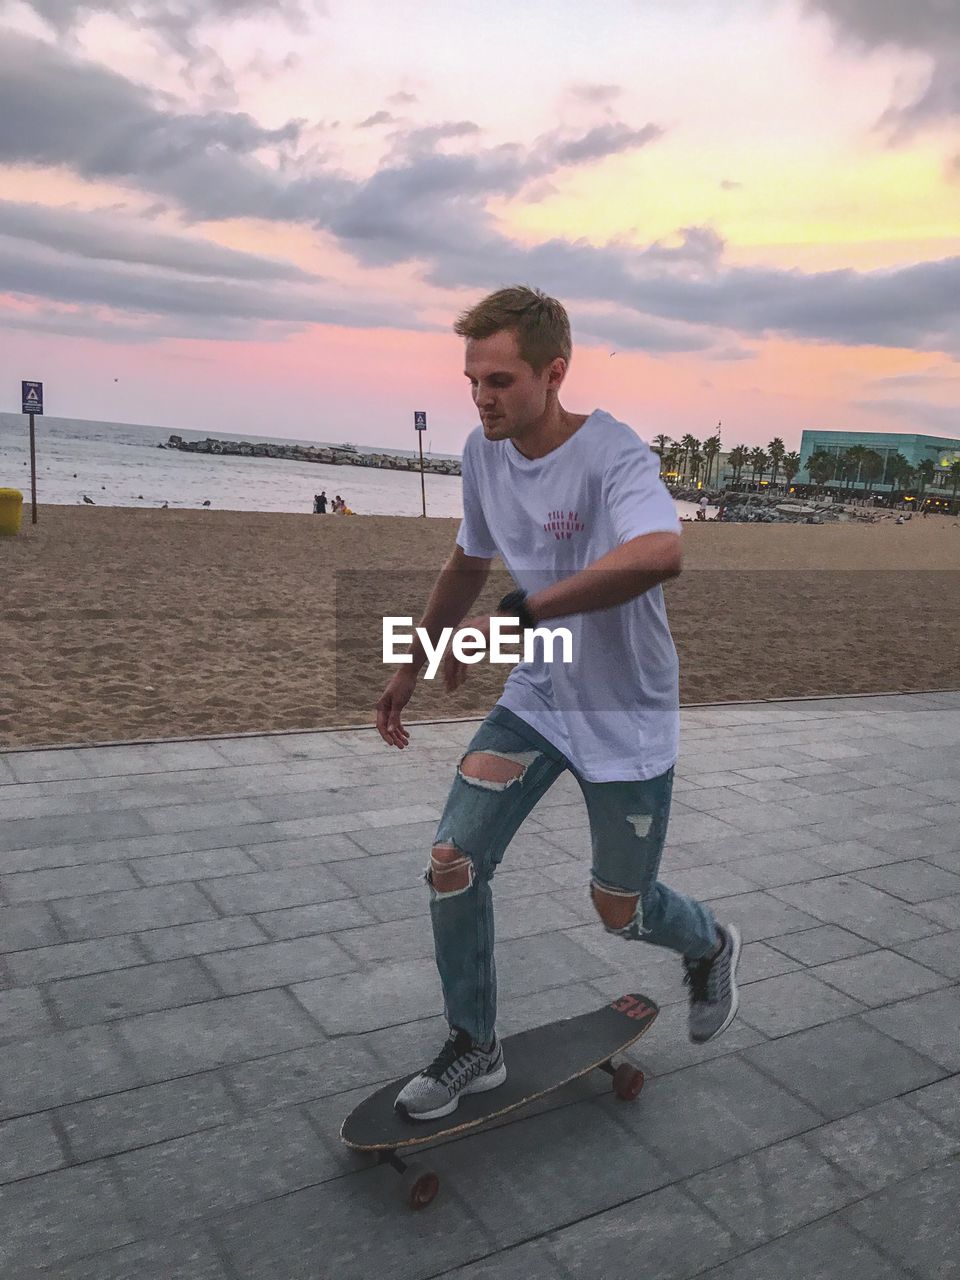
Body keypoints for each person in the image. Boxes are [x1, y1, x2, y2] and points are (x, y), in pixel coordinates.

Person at [375, 285, 741, 1122]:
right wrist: (413, 664)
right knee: (452, 860)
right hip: (540, 694)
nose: (481, 397)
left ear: (554, 373)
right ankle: (475, 1043)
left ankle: (707, 943)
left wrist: (524, 612)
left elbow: (661, 551)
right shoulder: (482, 452)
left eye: (500, 380)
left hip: (626, 712)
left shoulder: (614, 455)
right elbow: (469, 561)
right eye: (473, 379)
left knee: (621, 910)